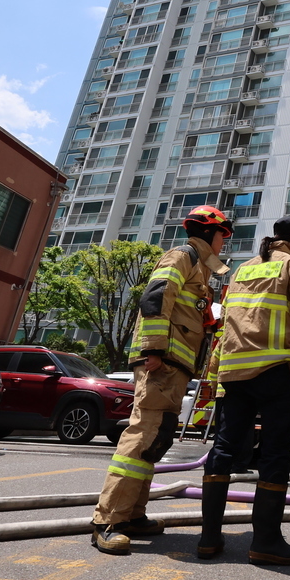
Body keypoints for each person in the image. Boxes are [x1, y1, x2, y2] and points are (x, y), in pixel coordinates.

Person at [91, 205, 231, 555]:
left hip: (175, 367)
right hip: (162, 363)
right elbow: (156, 298)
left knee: (156, 440)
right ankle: (107, 520)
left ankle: (133, 515)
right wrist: (153, 349)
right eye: (223, 236)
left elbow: (183, 310)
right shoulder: (182, 255)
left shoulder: (201, 268)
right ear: (209, 232)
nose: (225, 243)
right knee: (142, 436)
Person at [196, 215, 290, 564]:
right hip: (275, 371)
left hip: (234, 372)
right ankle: (265, 540)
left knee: (223, 450)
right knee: (275, 453)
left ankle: (208, 538)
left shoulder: (242, 269)